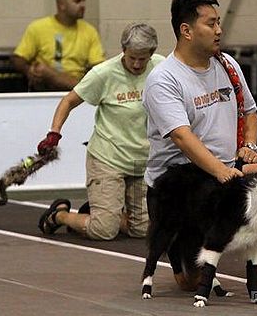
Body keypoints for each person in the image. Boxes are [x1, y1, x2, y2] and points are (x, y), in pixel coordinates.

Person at [142, 0, 257, 294]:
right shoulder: (164, 79)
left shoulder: (228, 66)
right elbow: (182, 137)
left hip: (227, 170)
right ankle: (181, 250)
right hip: (181, 185)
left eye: (219, 23)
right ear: (186, 30)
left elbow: (249, 112)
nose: (219, 30)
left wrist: (249, 147)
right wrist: (221, 173)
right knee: (191, 284)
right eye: (211, 24)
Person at [37, 22, 165, 240]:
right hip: (108, 159)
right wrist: (54, 134)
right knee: (104, 231)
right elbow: (69, 101)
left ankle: (103, 212)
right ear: (123, 50)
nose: (136, 64)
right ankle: (60, 215)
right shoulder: (103, 74)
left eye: (142, 59)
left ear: (151, 54)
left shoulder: (161, 68)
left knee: (143, 230)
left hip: (140, 161)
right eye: (131, 57)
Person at [11, 0, 105, 91]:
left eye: (84, 1)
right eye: (77, 1)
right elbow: (18, 59)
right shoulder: (38, 27)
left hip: (75, 87)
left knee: (45, 70)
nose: (83, 5)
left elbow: (98, 66)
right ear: (62, 5)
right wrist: (29, 70)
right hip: (46, 87)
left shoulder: (89, 31)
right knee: (41, 70)